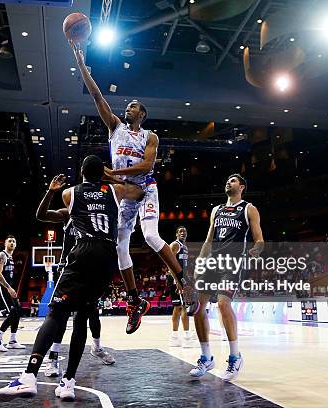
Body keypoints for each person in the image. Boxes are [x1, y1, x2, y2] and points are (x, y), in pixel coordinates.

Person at [0, 155, 144, 402]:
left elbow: (42, 216)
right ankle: (69, 382)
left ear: (81, 172)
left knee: (56, 314)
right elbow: (139, 192)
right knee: (82, 317)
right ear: (101, 173)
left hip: (83, 251)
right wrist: (111, 177)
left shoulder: (70, 194)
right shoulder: (115, 191)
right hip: (108, 255)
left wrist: (51, 191)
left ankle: (29, 376)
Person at [70, 41, 196, 334]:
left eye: (133, 106)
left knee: (151, 236)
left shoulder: (150, 136)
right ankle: (135, 301)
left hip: (146, 188)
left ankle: (183, 282)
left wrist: (116, 172)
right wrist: (81, 66)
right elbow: (97, 95)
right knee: (119, 247)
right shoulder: (115, 127)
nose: (127, 107)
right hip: (125, 195)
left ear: (142, 114)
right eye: (127, 105)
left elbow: (147, 167)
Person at [35, 173, 117, 378]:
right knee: (61, 316)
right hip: (70, 266)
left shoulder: (99, 218)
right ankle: (53, 359)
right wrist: (50, 192)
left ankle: (95, 349)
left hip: (91, 267)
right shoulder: (69, 213)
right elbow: (42, 215)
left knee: (91, 314)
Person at [191, 174, 264, 382]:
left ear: (242, 186)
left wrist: (255, 251)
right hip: (213, 262)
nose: (228, 182)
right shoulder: (217, 210)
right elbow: (208, 240)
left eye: (233, 180)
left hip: (233, 262)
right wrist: (200, 262)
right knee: (198, 307)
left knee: (223, 304)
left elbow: (259, 240)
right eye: (227, 180)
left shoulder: (249, 208)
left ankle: (235, 356)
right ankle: (206, 357)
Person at [0, 235, 25, 352]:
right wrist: (9, 288)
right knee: (12, 313)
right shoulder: (1, 255)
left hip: (7, 289)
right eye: (9, 241)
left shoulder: (10, 257)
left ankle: (12, 341)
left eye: (14, 241)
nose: (12, 243)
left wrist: (11, 289)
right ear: (5, 243)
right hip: (0, 289)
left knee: (18, 311)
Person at [168, 226, 191, 347]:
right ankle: (187, 338)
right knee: (184, 306)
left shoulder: (185, 247)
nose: (183, 233)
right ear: (176, 234)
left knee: (177, 307)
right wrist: (177, 280)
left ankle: (174, 337)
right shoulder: (175, 245)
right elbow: (169, 263)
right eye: (180, 231)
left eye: (185, 231)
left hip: (182, 278)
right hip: (176, 278)